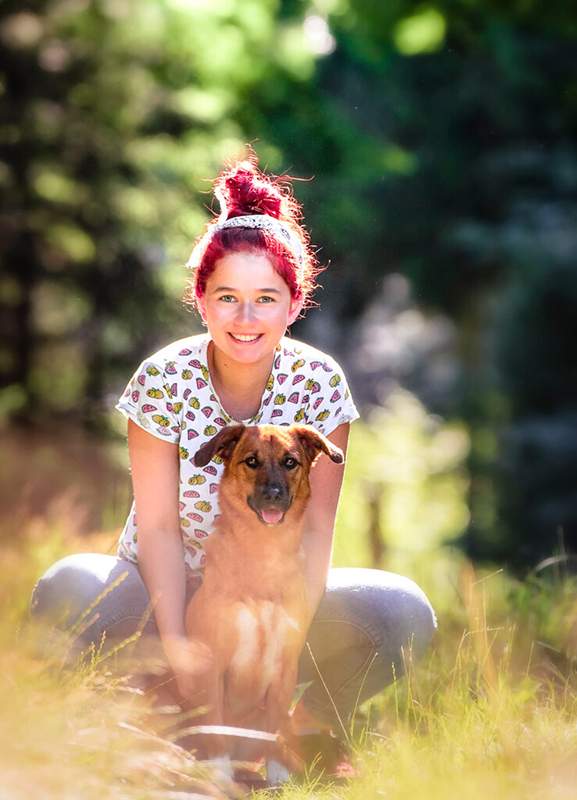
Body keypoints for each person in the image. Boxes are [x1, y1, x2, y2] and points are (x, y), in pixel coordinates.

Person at [30, 153, 436, 771]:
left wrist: (291, 634)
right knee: (69, 585)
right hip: (159, 594)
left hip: (278, 597)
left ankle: (300, 740)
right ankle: (141, 727)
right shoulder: (163, 378)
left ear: (294, 304)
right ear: (201, 300)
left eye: (266, 299)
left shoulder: (320, 383)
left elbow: (320, 526)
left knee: (401, 609)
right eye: (228, 297)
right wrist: (180, 648)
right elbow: (160, 527)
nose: (246, 319)